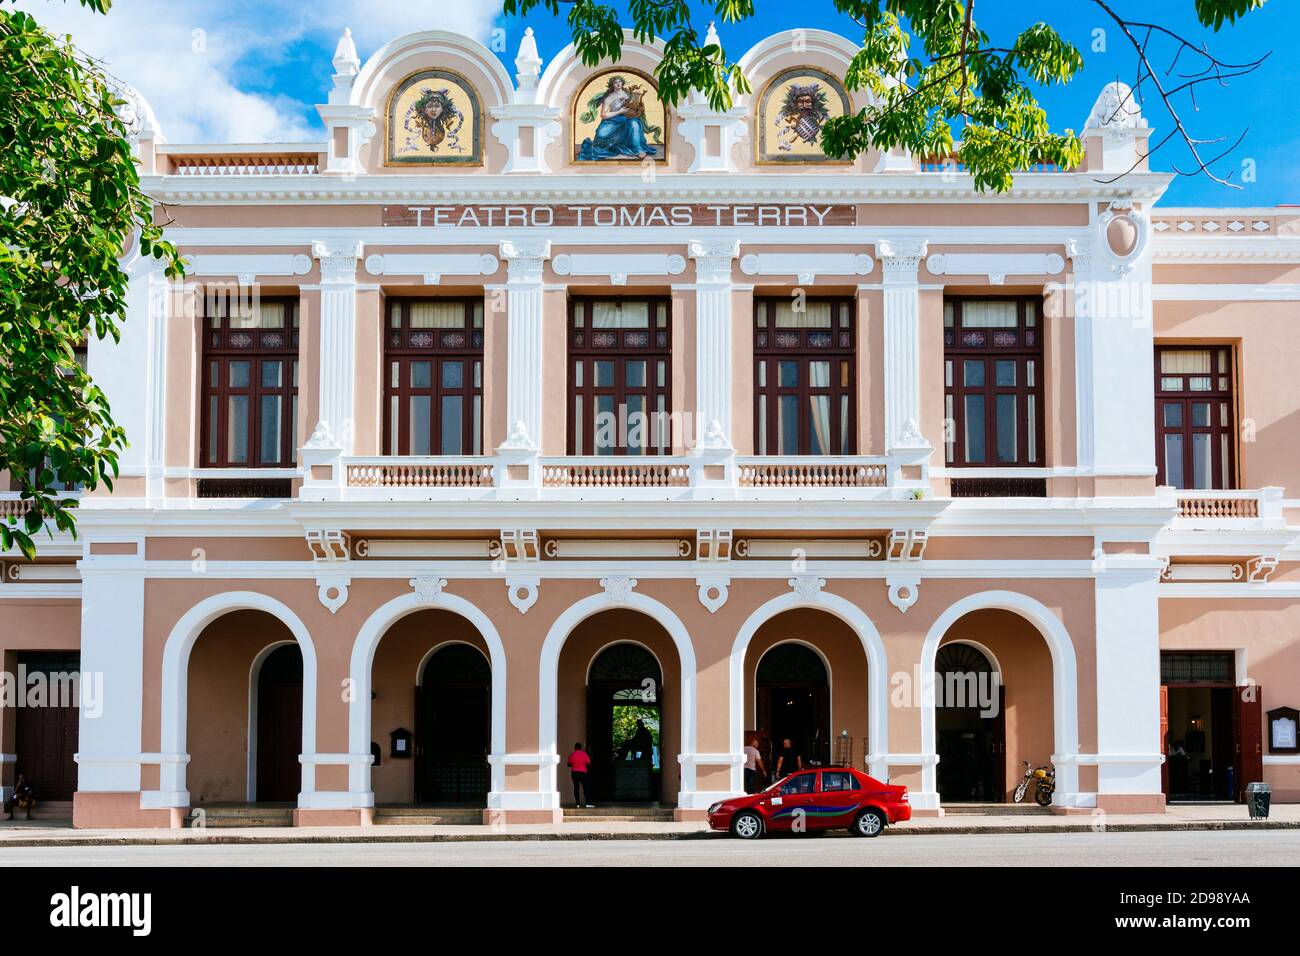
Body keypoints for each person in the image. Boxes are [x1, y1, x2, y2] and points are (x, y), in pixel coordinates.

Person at [567, 742, 594, 808]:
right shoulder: (584, 754)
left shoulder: (572, 754)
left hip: (574, 773)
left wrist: (574, 764)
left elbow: (568, 764)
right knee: (585, 788)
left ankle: (578, 804)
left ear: (575, 748)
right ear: (581, 747)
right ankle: (587, 803)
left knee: (576, 788)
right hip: (583, 773)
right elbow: (589, 763)